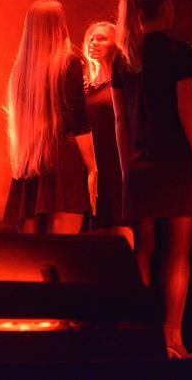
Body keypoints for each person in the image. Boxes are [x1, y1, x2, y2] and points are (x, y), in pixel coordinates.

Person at [110, 0, 192, 359]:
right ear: (164, 5)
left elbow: (120, 121)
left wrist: (125, 168)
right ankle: (173, 337)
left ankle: (142, 332)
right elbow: (186, 109)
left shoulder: (122, 57)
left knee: (144, 250)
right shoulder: (178, 51)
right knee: (178, 253)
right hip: (176, 160)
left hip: (139, 163)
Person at [3, 0, 98, 234]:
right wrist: (92, 166)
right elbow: (78, 118)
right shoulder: (68, 63)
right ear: (59, 26)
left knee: (31, 252)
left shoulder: (20, 71)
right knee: (63, 249)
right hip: (64, 159)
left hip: (29, 160)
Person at [81, 21, 130, 242]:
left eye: (102, 38)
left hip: (115, 163)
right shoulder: (83, 87)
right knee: (91, 231)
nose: (94, 42)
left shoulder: (122, 84)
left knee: (118, 227)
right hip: (90, 164)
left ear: (116, 45)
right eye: (91, 38)